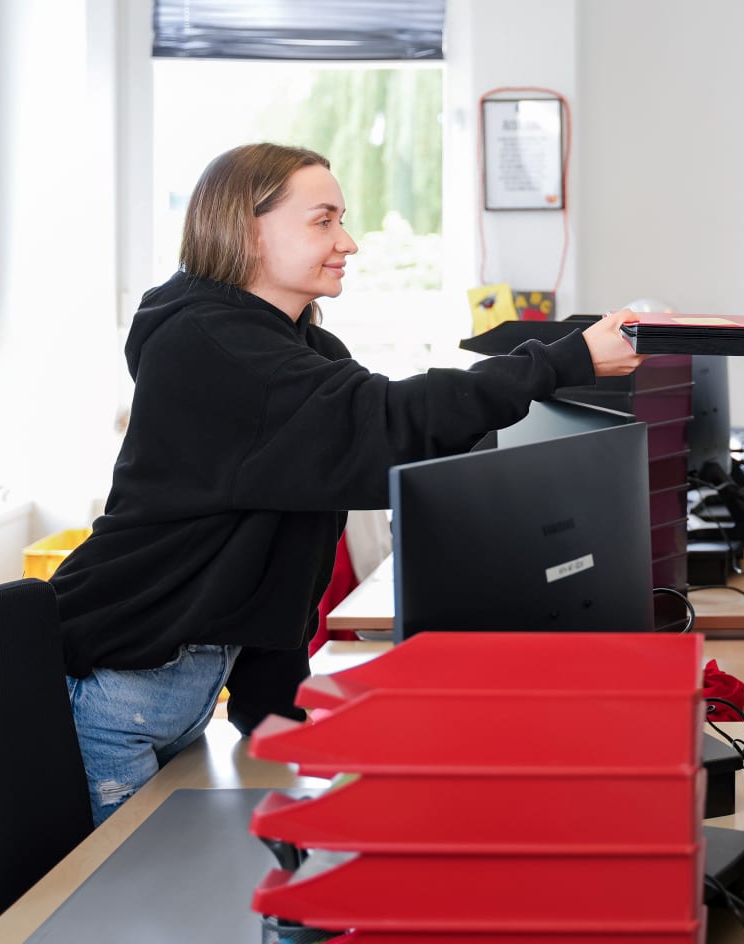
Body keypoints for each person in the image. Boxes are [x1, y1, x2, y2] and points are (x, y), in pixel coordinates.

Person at [50, 143, 642, 824]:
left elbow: (291, 529)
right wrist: (565, 359)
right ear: (247, 230)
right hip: (117, 686)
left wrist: (276, 712)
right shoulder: (209, 346)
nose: (348, 243)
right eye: (323, 221)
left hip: (179, 686)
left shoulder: (302, 348)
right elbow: (388, 424)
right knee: (125, 905)